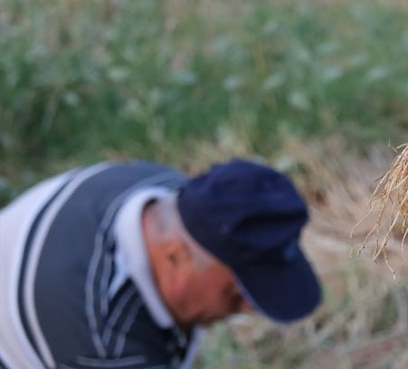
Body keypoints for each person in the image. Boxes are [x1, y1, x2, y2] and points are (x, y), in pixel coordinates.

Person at [0, 158, 322, 368]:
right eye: (236, 292)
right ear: (174, 256)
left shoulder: (170, 192)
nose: (251, 308)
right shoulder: (105, 339)